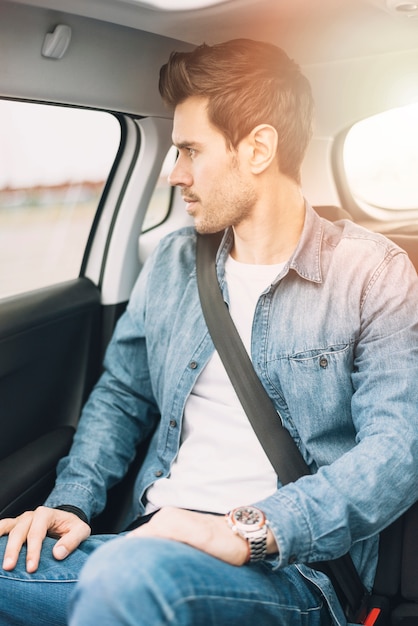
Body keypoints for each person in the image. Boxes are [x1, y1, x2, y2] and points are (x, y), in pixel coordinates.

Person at [1, 38, 418, 626]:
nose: (175, 174)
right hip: (144, 541)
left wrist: (247, 529)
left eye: (190, 150)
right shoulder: (173, 261)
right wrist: (73, 501)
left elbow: (398, 451)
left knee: (130, 577)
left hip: (290, 572)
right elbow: (123, 396)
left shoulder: (373, 273)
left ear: (258, 148)